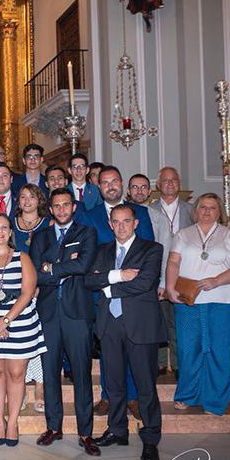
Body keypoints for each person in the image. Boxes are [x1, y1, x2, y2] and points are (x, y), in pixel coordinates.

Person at [85, 204, 165, 460]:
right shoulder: (102, 250)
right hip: (110, 325)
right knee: (114, 384)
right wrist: (118, 275)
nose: (121, 226)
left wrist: (108, 288)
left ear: (135, 223)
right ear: (110, 224)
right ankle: (117, 430)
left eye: (126, 221)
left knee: (145, 387)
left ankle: (151, 438)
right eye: (116, 222)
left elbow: (145, 283)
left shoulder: (152, 249)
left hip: (140, 326)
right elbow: (89, 280)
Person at [165, 193, 230, 416]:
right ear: (196, 210)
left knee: (220, 351)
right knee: (187, 350)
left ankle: (215, 401)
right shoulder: (183, 235)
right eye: (203, 207)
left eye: (212, 208)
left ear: (219, 212)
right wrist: (170, 287)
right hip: (189, 302)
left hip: (223, 301)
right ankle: (187, 395)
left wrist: (217, 280)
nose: (206, 211)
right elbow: (173, 262)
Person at [30, 188, 100, 456]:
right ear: (50, 209)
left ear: (73, 207)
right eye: (56, 206)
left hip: (77, 314)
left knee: (82, 373)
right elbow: (36, 273)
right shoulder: (41, 236)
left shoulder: (86, 233)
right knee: (50, 374)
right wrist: (60, 267)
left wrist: (52, 267)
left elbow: (83, 265)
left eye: (65, 205)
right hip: (48, 313)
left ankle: (86, 433)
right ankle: (54, 427)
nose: (61, 210)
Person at [0, 213, 45, 445]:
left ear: (11, 232)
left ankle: (13, 422)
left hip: (19, 322)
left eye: (4, 227)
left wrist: (5, 321)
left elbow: (28, 292)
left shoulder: (22, 257)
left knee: (16, 374)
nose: (0, 232)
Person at [88, 166, 153, 417]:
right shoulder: (89, 214)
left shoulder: (140, 213)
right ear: (99, 187)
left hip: (135, 296)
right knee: (109, 348)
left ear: (122, 183)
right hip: (103, 293)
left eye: (114, 181)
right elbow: (90, 252)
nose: (110, 186)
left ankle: (134, 397)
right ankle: (108, 396)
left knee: (134, 347)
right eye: (105, 183)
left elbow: (145, 248)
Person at [148, 166, 193, 378]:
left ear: (179, 183)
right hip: (158, 273)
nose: (170, 184)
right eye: (165, 181)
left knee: (179, 321)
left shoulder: (191, 210)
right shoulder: (149, 210)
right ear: (158, 185)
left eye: (174, 180)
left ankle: (177, 364)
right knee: (158, 320)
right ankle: (158, 363)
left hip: (184, 274)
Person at [13, 183, 50, 411]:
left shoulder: (49, 224)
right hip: (16, 290)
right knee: (20, 340)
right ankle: (22, 385)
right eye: (23, 196)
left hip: (43, 289)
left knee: (38, 339)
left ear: (40, 201)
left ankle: (40, 386)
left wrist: (37, 284)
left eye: (32, 197)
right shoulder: (10, 224)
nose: (27, 201)